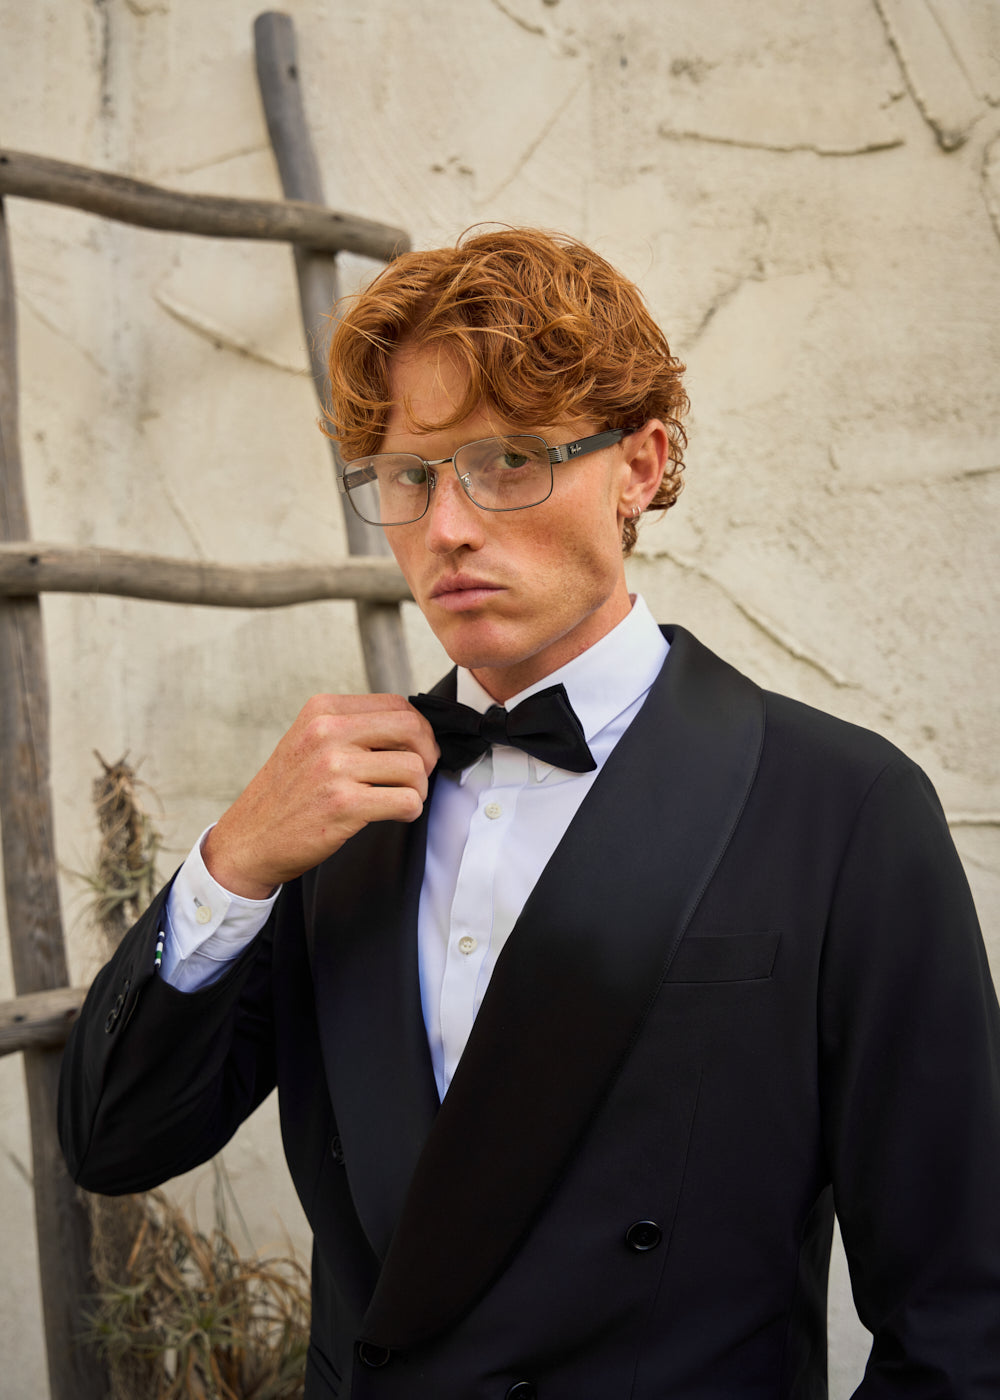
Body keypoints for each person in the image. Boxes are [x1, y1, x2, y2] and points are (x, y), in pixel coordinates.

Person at [59, 228, 1000, 1398]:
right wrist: (235, 860)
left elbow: (963, 1321)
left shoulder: (844, 806)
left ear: (639, 465)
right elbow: (115, 1140)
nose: (445, 526)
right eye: (407, 476)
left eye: (505, 461)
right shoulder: (331, 812)